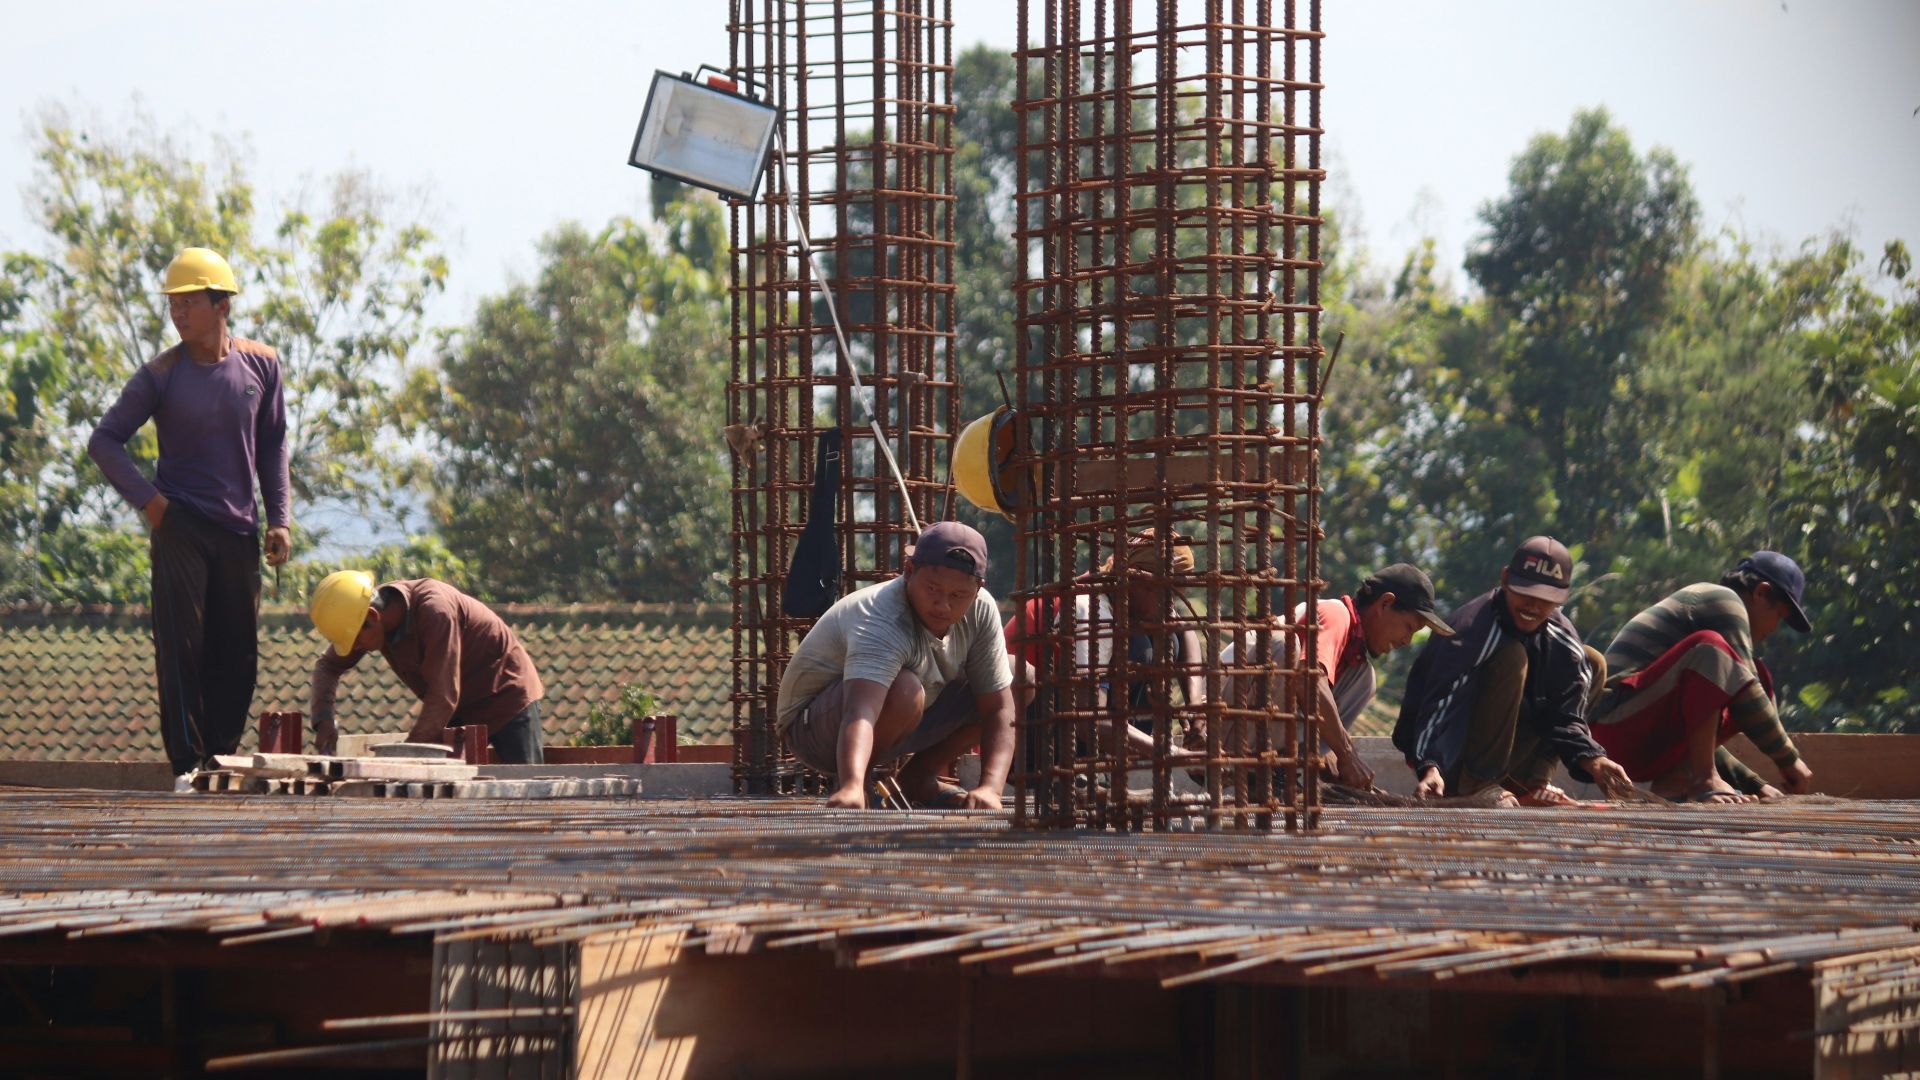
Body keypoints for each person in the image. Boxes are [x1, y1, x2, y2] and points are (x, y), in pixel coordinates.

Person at [87, 247, 292, 775]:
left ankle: (219, 758)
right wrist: (152, 505)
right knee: (183, 650)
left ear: (221, 304)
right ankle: (187, 764)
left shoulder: (262, 365)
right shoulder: (160, 374)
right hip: (180, 524)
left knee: (238, 653)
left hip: (239, 528)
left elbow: (272, 445)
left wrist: (280, 518)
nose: (178, 314)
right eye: (172, 305)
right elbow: (104, 441)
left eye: (189, 303)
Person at [777, 521, 1016, 810]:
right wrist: (852, 785)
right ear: (909, 571)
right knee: (905, 690)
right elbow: (861, 710)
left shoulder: (982, 610)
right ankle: (855, 783)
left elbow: (999, 709)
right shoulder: (882, 615)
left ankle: (917, 778)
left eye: (957, 596)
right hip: (814, 729)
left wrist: (991, 788)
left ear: (978, 589)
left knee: (1017, 678)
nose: (943, 605)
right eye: (932, 588)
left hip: (896, 714)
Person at [1394, 537, 1633, 805]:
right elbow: (1436, 708)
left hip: (1509, 759)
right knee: (1512, 656)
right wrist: (1431, 766)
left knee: (1592, 661)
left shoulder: (1561, 640)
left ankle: (1533, 783)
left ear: (1561, 598)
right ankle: (1477, 785)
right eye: (1525, 593)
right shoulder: (1469, 632)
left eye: (1545, 599)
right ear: (1506, 579)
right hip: (1450, 763)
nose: (1533, 606)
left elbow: (1566, 717)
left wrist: (1594, 759)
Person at [1587, 552, 1816, 803]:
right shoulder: (1724, 599)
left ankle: (1676, 781)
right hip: (1611, 729)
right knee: (1714, 652)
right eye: (1779, 617)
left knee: (1746, 675)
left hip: (1643, 740)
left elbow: (1700, 728)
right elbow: (1750, 692)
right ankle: (1704, 779)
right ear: (1761, 592)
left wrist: (1754, 784)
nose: (1774, 629)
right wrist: (1789, 759)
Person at [1222, 563, 1454, 788]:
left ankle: (1283, 774)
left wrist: (1330, 758)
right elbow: (1308, 679)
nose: (1407, 641)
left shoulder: (1357, 672)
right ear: (1385, 604)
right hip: (1224, 726)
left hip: (1265, 747)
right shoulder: (1336, 614)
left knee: (1365, 679)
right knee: (1287, 645)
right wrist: (1346, 754)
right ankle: (1258, 769)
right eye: (1409, 627)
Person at [306, 571, 548, 764]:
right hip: (459, 712)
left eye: (356, 640)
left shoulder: (435, 611)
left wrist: (405, 756)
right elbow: (328, 666)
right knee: (451, 800)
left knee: (527, 792)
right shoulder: (368, 618)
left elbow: (443, 697)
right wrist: (323, 719)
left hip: (507, 697)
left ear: (372, 617)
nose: (357, 649)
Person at [1003, 529, 1205, 759]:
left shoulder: (1136, 596)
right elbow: (1088, 719)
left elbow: (1183, 631)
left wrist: (1195, 708)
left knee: (1166, 638)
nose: (1169, 606)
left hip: (1073, 714)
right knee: (1141, 650)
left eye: (1175, 598)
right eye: (1166, 596)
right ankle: (1100, 760)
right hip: (1031, 738)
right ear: (1139, 581)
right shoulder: (1088, 609)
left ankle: (1125, 751)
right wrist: (1175, 755)